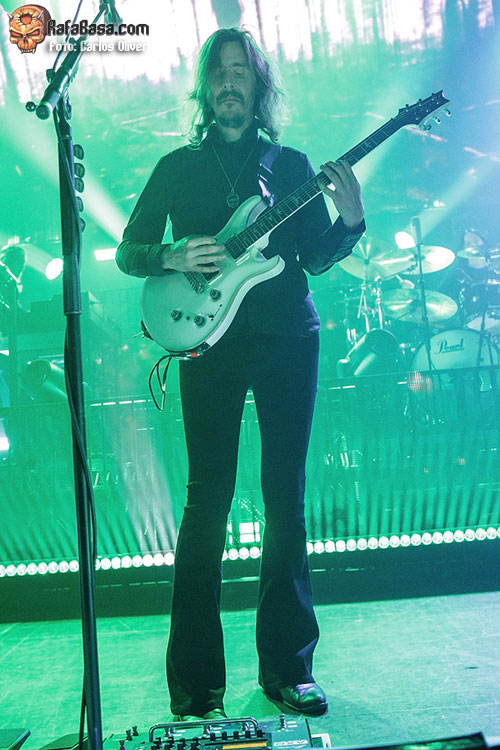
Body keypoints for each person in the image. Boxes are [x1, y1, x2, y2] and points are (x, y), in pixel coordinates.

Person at [116, 27, 365, 720]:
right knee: (207, 503)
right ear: (205, 88)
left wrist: (349, 223)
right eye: (220, 72)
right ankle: (197, 684)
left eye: (242, 72)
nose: (230, 82)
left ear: (259, 87)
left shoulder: (292, 166)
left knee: (285, 498)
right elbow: (129, 251)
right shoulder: (177, 167)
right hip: (207, 343)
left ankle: (289, 668)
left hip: (287, 337)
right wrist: (170, 256)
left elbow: (313, 258)